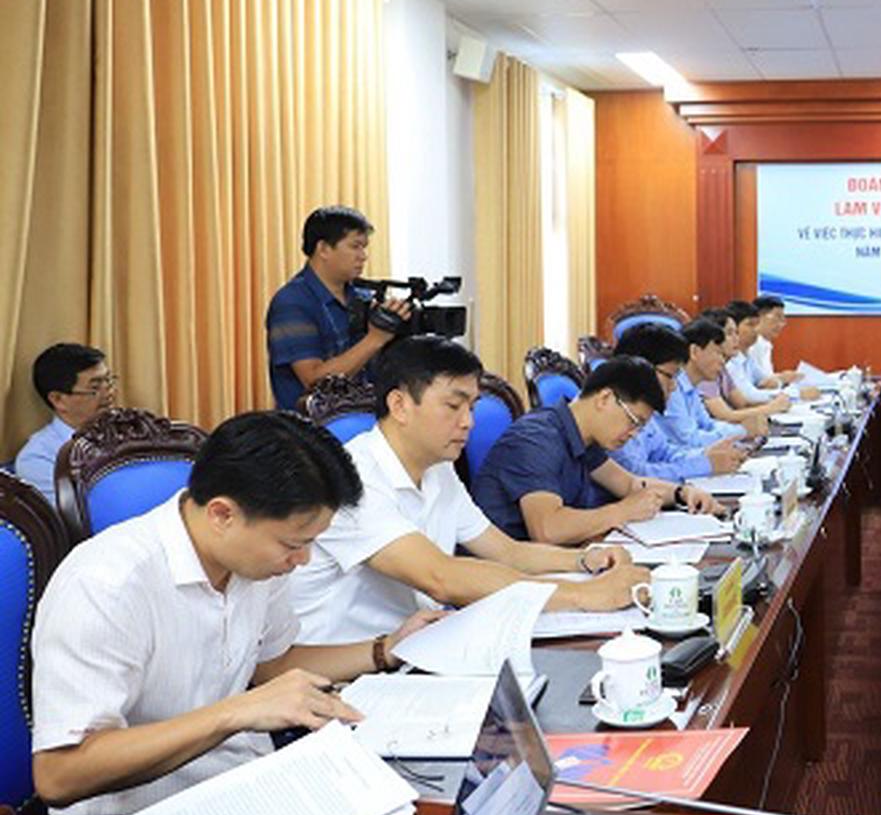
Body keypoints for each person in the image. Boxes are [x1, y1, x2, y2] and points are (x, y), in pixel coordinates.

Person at [30, 412, 439, 815]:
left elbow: (273, 664)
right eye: (292, 544)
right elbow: (59, 775)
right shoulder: (107, 585)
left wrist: (385, 649)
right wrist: (236, 712)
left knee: (420, 807)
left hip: (244, 785)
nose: (303, 559)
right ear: (222, 515)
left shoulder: (253, 563)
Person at [288, 336, 643, 644]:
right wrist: (584, 594)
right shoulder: (356, 477)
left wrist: (585, 559)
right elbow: (441, 577)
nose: (468, 422)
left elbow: (505, 552)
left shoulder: (438, 469)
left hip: (421, 642)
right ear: (399, 405)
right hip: (352, 671)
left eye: (471, 407)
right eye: (453, 406)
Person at [472, 356, 721, 546]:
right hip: (507, 574)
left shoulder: (582, 434)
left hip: (557, 558)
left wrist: (681, 493)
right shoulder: (536, 439)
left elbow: (629, 484)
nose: (633, 434)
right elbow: (547, 529)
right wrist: (622, 511)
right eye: (633, 421)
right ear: (605, 399)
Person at [265, 205, 409, 411]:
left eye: (364, 247)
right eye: (355, 246)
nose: (363, 256)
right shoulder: (292, 302)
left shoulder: (362, 297)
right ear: (323, 249)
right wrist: (375, 339)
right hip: (313, 425)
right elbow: (314, 380)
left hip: (367, 416)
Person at [607, 323, 745, 481]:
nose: (673, 387)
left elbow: (665, 452)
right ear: (642, 368)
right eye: (670, 376)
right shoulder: (616, 410)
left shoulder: (645, 408)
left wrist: (706, 455)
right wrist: (705, 465)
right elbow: (636, 475)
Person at [15, 343, 115, 502]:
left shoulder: (129, 431)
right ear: (58, 399)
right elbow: (76, 513)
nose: (109, 393)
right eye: (95, 388)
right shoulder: (38, 458)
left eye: (108, 381)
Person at [664, 318, 754, 447]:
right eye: (718, 353)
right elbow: (689, 440)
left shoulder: (692, 387)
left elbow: (709, 425)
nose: (722, 362)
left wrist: (741, 430)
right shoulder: (671, 387)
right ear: (694, 351)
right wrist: (743, 431)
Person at [696, 308, 783, 433]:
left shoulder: (723, 369)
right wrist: (771, 407)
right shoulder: (705, 371)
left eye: (736, 333)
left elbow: (742, 403)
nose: (736, 339)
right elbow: (726, 415)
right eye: (729, 333)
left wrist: (774, 405)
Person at [748, 295, 803, 387]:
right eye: (778, 317)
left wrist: (782, 377)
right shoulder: (751, 345)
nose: (781, 324)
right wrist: (781, 378)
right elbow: (758, 385)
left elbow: (764, 378)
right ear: (759, 316)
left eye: (783, 319)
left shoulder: (765, 344)